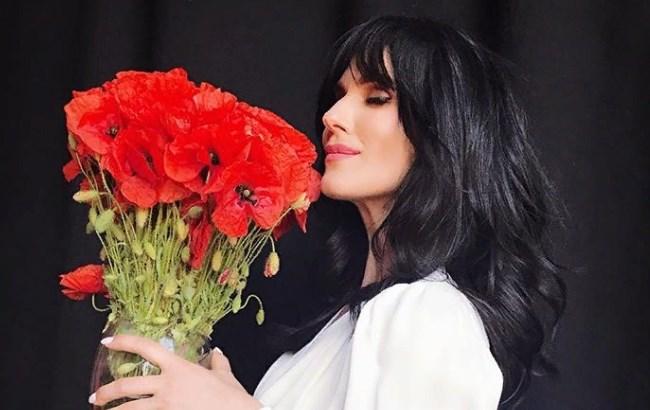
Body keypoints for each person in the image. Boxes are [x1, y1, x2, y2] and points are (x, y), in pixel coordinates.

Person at [89, 15, 568, 410]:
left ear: (444, 133)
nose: (332, 116)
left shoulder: (429, 312)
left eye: (377, 98)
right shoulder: (341, 329)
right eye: (339, 95)